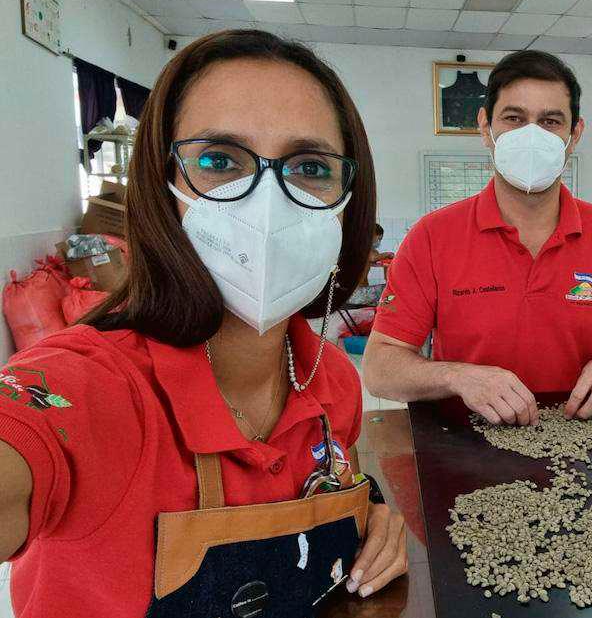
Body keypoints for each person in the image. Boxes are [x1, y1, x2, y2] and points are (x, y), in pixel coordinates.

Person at [0, 31, 407, 617]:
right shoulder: (90, 389)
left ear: (350, 199)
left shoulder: (331, 380)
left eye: (310, 166)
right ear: (161, 186)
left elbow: (335, 490)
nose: (269, 203)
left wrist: (372, 519)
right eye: (219, 161)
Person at [363, 50, 592, 425]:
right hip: (463, 441)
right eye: (514, 118)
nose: (532, 136)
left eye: (550, 121)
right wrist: (457, 376)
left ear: (574, 134)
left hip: (583, 444)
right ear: (485, 128)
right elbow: (380, 367)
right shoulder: (432, 236)